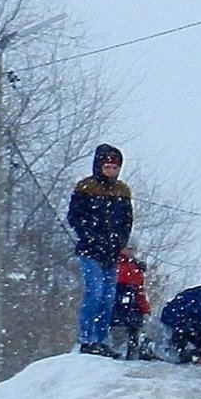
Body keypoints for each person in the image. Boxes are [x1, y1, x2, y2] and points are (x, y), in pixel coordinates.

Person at [67, 144, 133, 357]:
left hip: (111, 253)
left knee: (108, 297)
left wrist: (119, 242)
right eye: (107, 167)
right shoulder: (85, 188)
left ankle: (102, 339)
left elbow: (126, 221)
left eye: (115, 167)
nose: (111, 171)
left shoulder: (123, 191)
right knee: (94, 293)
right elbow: (75, 217)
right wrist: (91, 236)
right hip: (91, 250)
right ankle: (87, 338)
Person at [111, 242, 151, 359]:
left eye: (133, 249)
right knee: (122, 341)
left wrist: (144, 308)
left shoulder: (135, 267)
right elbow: (137, 291)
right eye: (129, 248)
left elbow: (139, 291)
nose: (132, 251)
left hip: (131, 311)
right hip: (121, 312)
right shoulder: (117, 265)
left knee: (131, 341)